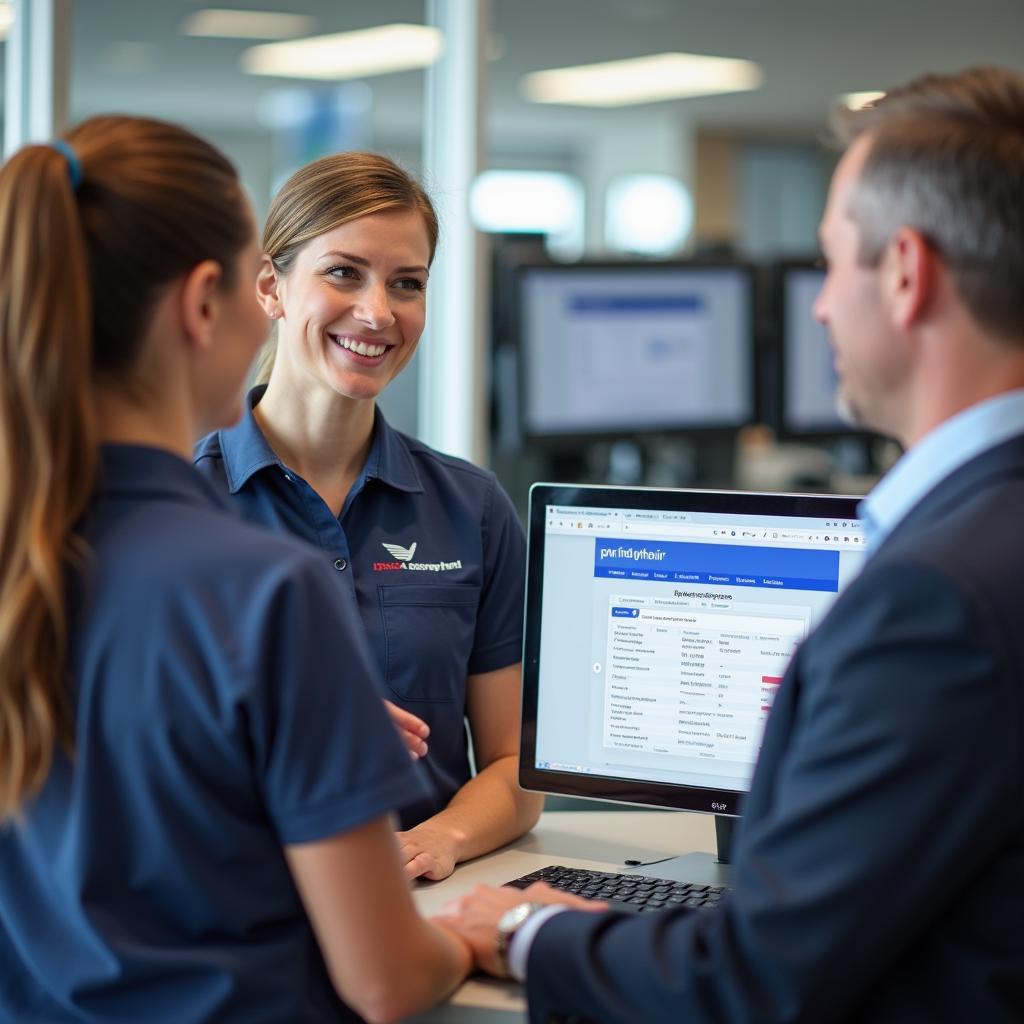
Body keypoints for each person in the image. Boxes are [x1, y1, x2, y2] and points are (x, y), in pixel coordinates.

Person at [440, 66, 1024, 1022]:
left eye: (832, 263)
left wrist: (522, 932)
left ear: (908, 273)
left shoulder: (941, 594)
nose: (820, 306)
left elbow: (758, 977)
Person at [0, 117, 470, 1023]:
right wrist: (486, 934)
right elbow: (387, 979)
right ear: (209, 299)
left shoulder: (35, 547)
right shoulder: (263, 592)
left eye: (405, 282)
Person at [194, 152, 543, 881]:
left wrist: (440, 838)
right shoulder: (179, 500)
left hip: (421, 898)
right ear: (271, 286)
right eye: (343, 272)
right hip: (233, 906)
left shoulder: (472, 509)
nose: (378, 312)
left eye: (406, 283)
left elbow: (515, 765)